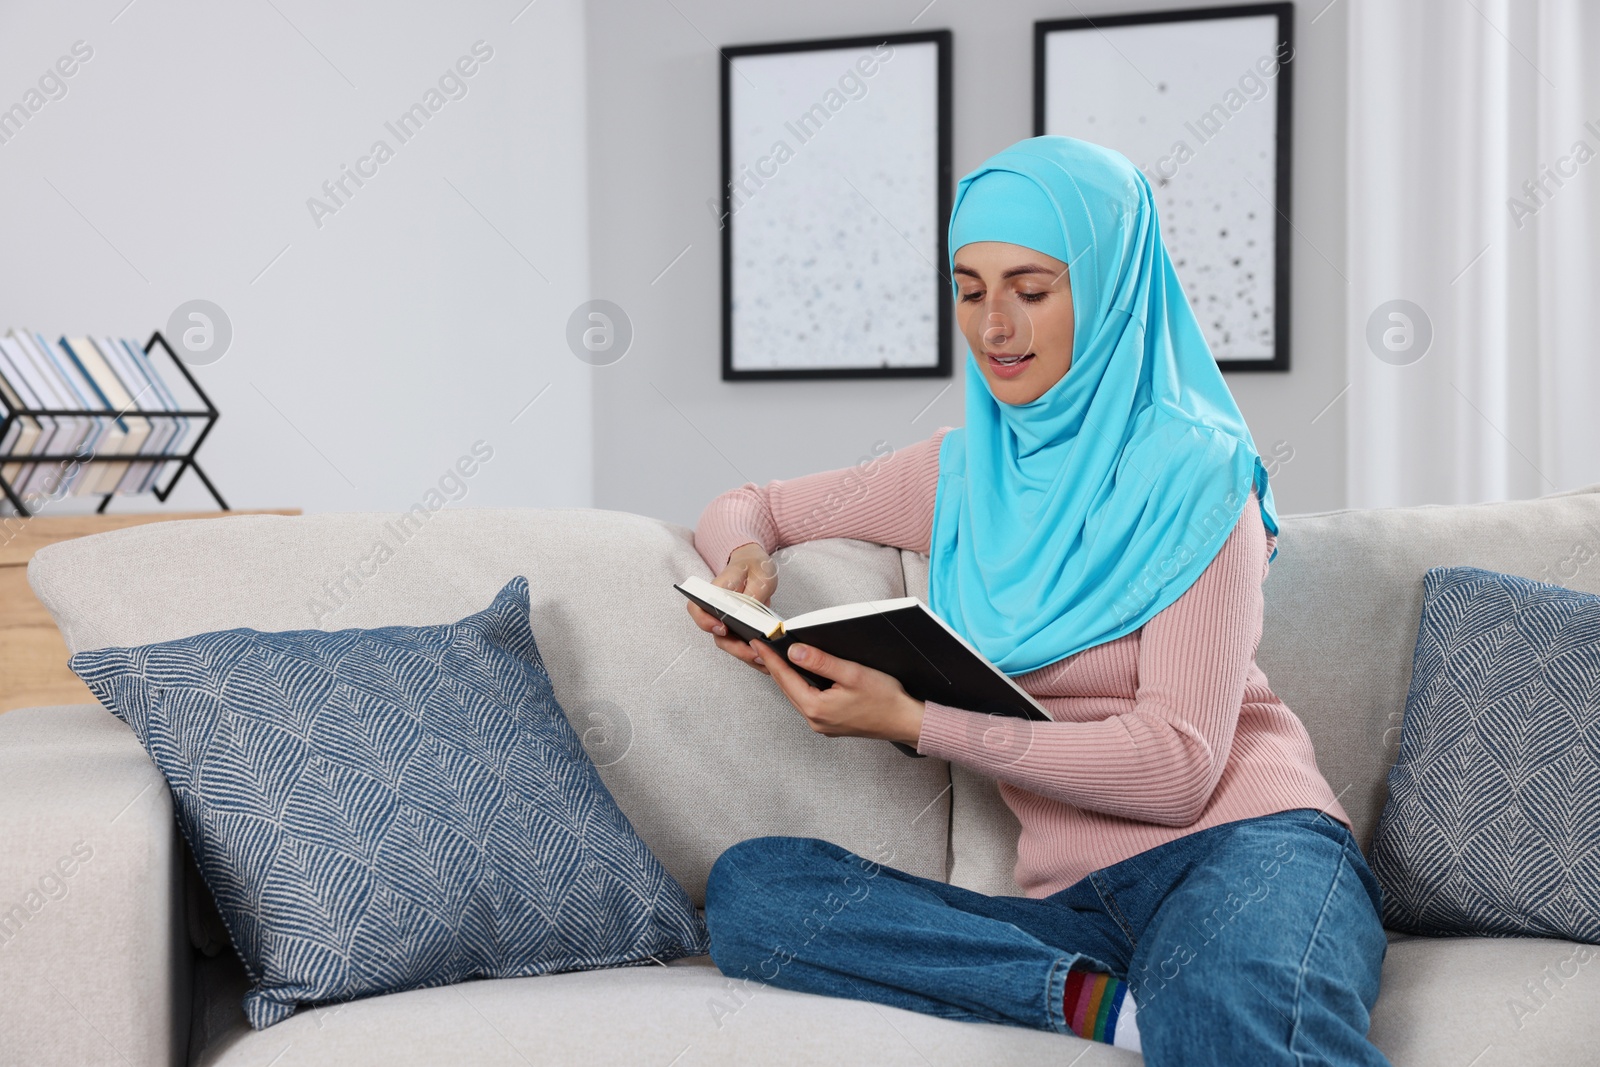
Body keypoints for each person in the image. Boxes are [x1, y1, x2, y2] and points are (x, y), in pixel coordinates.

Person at [684, 135, 1390, 1066]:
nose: (994, 327)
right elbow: (755, 504)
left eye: (1031, 287)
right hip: (1076, 904)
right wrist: (746, 562)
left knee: (1231, 1012)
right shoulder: (959, 471)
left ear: (1105, 288)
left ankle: (1176, 1010)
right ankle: (1114, 1006)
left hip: (1246, 850)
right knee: (755, 890)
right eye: (969, 289)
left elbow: (1178, 766)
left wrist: (914, 720)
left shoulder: (1200, 475)